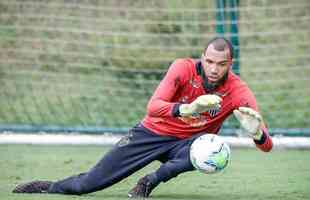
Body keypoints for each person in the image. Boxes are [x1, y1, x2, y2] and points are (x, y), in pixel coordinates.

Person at [12, 37, 273, 198]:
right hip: (151, 134)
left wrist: (257, 133)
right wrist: (189, 109)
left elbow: (267, 146)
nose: (214, 69)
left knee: (207, 149)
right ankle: (48, 187)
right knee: (89, 184)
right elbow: (153, 107)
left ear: (231, 63)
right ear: (202, 58)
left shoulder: (238, 91)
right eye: (209, 61)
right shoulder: (182, 68)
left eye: (222, 64)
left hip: (187, 145)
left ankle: (147, 183)